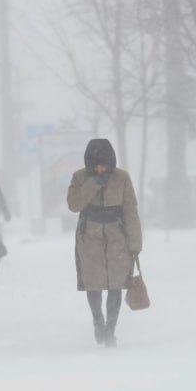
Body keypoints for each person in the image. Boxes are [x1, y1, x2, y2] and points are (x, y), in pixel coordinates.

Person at [67, 138, 142, 347]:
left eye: (104, 163)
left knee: (116, 284)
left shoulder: (122, 178)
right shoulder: (80, 177)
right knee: (94, 283)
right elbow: (74, 204)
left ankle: (110, 329)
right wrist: (93, 184)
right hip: (89, 238)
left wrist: (135, 243)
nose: (100, 168)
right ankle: (98, 320)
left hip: (117, 239)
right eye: (96, 164)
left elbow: (130, 211)